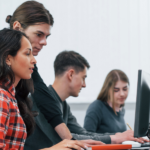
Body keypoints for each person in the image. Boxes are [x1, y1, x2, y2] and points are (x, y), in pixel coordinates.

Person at [5, 1, 148, 150]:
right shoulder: (6, 97)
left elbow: (44, 97)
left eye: (47, 36)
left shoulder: (45, 97)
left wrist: (72, 140)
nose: (44, 42)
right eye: (39, 34)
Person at [0, 28, 87, 150]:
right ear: (8, 58)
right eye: (27, 53)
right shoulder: (2, 97)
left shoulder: (11, 97)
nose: (34, 60)